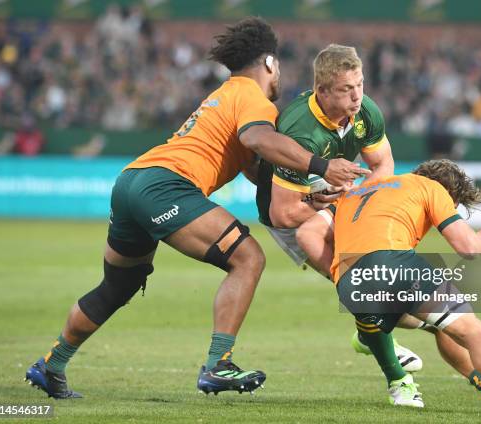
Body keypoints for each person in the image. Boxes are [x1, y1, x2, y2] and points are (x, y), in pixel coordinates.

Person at [24, 17, 368, 399]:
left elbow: (261, 173)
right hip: (166, 185)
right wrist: (322, 166)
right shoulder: (253, 98)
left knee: (117, 285)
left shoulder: (225, 95)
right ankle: (219, 364)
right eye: (279, 64)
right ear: (270, 63)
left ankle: (51, 365)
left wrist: (307, 196)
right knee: (248, 259)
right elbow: (259, 138)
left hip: (131, 182)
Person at [256, 44, 481, 406]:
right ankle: (390, 363)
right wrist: (341, 205)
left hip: (338, 195)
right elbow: (284, 214)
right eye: (346, 89)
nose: (357, 96)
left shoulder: (366, 112)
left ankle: (374, 333)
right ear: (322, 91)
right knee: (339, 258)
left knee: (414, 311)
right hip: (291, 204)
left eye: (360, 85)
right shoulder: (300, 132)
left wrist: (360, 208)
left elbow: (383, 166)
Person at [301, 159, 481, 419]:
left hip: (352, 283)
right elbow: (467, 248)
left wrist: (340, 274)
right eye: (454, 205)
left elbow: (306, 234)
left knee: (438, 325)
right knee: (472, 330)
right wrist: (480, 242)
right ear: (449, 192)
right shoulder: (431, 188)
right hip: (396, 265)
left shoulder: (357, 192)